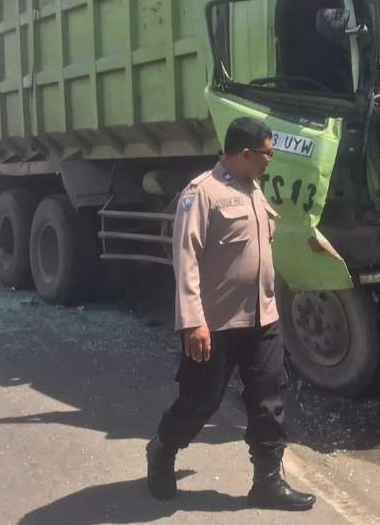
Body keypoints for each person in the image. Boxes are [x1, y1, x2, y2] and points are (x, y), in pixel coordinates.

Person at [146, 116, 315, 511]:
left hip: (263, 318)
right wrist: (193, 321)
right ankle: (163, 449)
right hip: (215, 325)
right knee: (199, 402)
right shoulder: (201, 193)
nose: (270, 162)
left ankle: (268, 481)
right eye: (267, 155)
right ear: (244, 154)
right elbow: (185, 259)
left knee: (269, 400)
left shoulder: (255, 189)